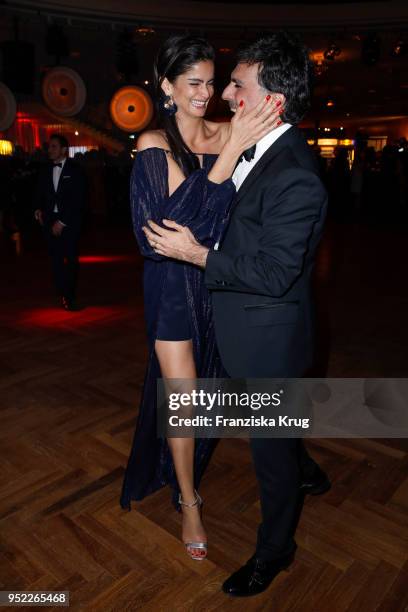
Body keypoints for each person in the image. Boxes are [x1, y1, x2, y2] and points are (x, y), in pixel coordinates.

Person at [143, 32, 330, 596]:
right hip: (242, 325)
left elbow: (275, 275)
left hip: (266, 338)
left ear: (270, 100)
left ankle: (275, 552)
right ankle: (303, 465)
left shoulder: (295, 172)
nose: (224, 92)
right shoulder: (255, 146)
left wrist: (197, 254)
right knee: (274, 436)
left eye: (236, 84)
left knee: (269, 461)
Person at [120, 35, 281, 562]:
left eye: (211, 82)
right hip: (172, 287)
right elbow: (160, 236)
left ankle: (294, 467)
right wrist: (225, 159)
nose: (204, 93)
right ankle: (189, 499)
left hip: (222, 279)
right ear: (166, 85)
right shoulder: (152, 145)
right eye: (193, 82)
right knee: (185, 399)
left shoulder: (228, 131)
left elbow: (228, 218)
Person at [34, 134, 86, 310]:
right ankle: (62, 291)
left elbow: (79, 200)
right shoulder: (44, 169)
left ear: (64, 150)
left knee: (70, 259)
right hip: (49, 221)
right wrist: (38, 210)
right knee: (55, 259)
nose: (49, 150)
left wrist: (62, 222)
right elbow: (40, 193)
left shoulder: (76, 170)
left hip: (69, 222)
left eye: (54, 147)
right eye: (49, 147)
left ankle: (69, 295)